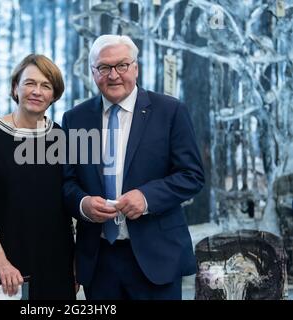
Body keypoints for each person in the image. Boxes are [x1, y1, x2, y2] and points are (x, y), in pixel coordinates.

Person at [62, 35, 205, 300]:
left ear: (135, 68)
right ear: (93, 72)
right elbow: (67, 182)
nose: (113, 75)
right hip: (99, 260)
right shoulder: (75, 119)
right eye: (104, 68)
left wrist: (147, 197)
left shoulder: (170, 111)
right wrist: (83, 204)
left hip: (156, 258)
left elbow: (192, 175)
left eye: (122, 65)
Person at [0, 54, 76, 300]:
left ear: (54, 95)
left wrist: (75, 263)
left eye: (45, 86)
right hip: (10, 262)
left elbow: (66, 205)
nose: (37, 91)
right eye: (30, 83)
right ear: (15, 88)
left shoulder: (59, 136)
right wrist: (1, 263)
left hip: (57, 259)